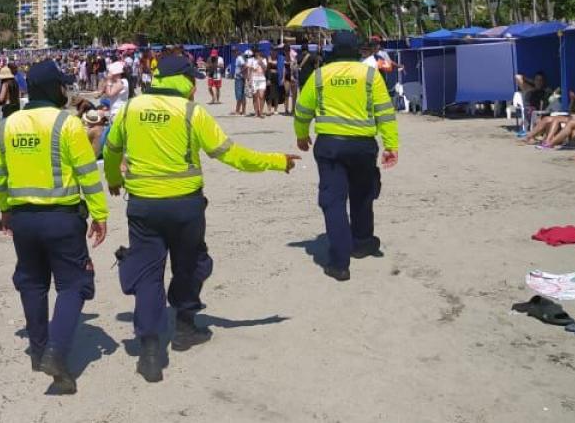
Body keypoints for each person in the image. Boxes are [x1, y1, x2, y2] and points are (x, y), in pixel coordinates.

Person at [103, 54, 298, 383]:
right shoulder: (192, 113)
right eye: (192, 79)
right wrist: (277, 161)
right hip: (185, 207)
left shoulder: (131, 109)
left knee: (149, 274)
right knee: (190, 264)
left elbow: (110, 149)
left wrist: (113, 179)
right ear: (184, 81)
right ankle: (184, 327)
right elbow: (233, 156)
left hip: (143, 207)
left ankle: (151, 352)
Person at [0, 59, 108, 394]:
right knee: (75, 284)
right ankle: (55, 354)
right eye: (62, 85)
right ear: (52, 88)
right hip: (62, 219)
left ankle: (39, 350)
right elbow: (87, 174)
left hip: (23, 220)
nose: (65, 90)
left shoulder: (6, 126)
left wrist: (5, 209)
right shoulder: (66, 124)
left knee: (32, 283)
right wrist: (99, 214)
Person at [294, 30, 399, 283]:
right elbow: (385, 112)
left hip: (330, 146)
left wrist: (301, 135)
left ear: (333, 50)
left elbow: (302, 108)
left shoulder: (320, 75)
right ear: (356, 51)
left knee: (334, 202)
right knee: (362, 195)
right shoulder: (370, 75)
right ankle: (362, 242)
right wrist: (391, 145)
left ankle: (340, 264)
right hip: (363, 145)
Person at [248, 50, 268, 118]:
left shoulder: (264, 60)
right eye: (256, 52)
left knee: (261, 96)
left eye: (259, 52)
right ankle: (256, 113)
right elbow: (249, 70)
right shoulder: (251, 60)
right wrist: (249, 80)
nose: (257, 53)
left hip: (262, 79)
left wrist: (261, 62)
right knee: (255, 96)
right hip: (254, 79)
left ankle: (261, 112)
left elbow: (265, 69)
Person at [231, 50, 248, 116]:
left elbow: (245, 66)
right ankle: (243, 111)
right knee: (242, 94)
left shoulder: (239, 58)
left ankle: (238, 111)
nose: (233, 54)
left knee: (239, 95)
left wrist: (239, 72)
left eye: (233, 52)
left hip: (239, 78)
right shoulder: (241, 58)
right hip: (241, 78)